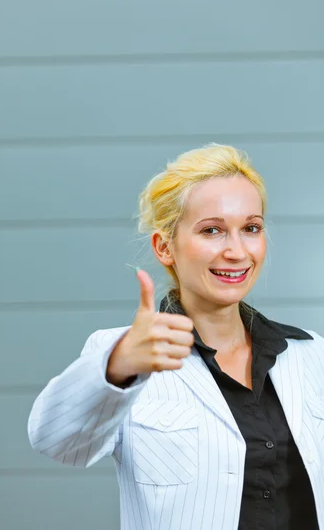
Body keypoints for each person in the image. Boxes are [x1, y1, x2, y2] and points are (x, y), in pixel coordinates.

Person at [28, 144, 324, 530]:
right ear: (165, 247)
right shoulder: (122, 356)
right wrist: (119, 367)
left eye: (251, 228)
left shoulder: (309, 354)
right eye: (212, 230)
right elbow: (57, 442)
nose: (236, 251)